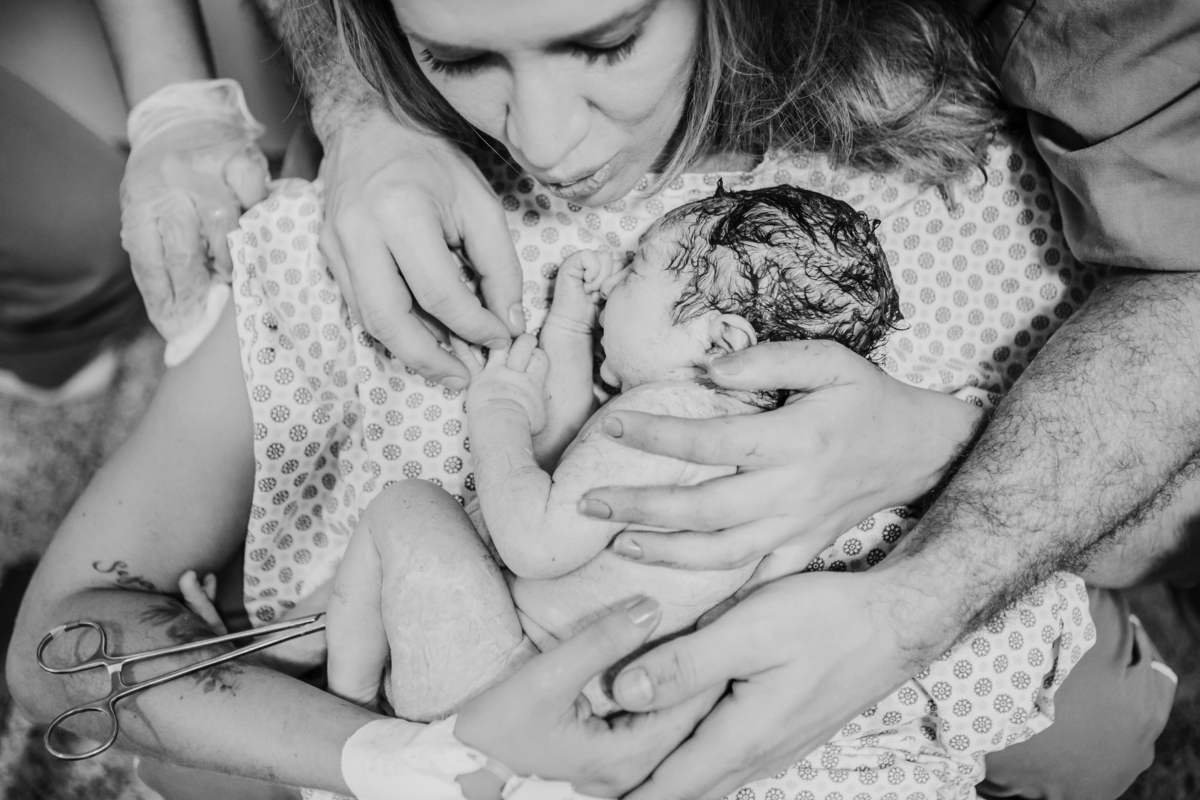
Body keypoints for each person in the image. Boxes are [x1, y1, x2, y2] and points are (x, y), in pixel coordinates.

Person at [10, 0, 1190, 797]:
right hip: (481, 709)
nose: (546, 136)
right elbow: (65, 643)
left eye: (606, 42)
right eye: (455, 56)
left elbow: (1134, 514)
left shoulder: (963, 187)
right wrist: (399, 758)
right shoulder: (358, 250)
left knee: (1101, 720)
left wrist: (951, 446)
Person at [322, 182, 1093, 800]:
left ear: (721, 339)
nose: (615, 279)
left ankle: (348, 708)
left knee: (407, 509)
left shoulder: (657, 418)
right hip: (585, 726)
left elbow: (532, 540)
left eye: (637, 269)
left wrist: (494, 417)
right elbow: (569, 453)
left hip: (499, 678)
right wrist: (574, 323)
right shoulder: (770, 461)